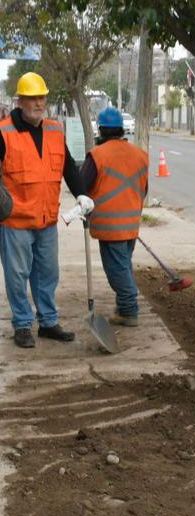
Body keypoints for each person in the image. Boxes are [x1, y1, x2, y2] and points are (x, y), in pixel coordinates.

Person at [0, 72, 89, 348]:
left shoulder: (54, 130)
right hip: (16, 220)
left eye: (42, 97)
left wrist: (82, 193)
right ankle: (23, 325)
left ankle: (48, 322)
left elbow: (68, 167)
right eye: (32, 98)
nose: (39, 103)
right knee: (18, 275)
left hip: (47, 219)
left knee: (48, 273)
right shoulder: (4, 132)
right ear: (20, 101)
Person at [80, 107, 148, 327]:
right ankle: (123, 308)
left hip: (109, 225)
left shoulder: (97, 155)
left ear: (100, 129)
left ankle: (129, 311)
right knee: (124, 266)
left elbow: (83, 185)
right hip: (130, 223)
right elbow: (144, 189)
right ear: (121, 129)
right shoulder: (140, 155)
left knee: (116, 271)